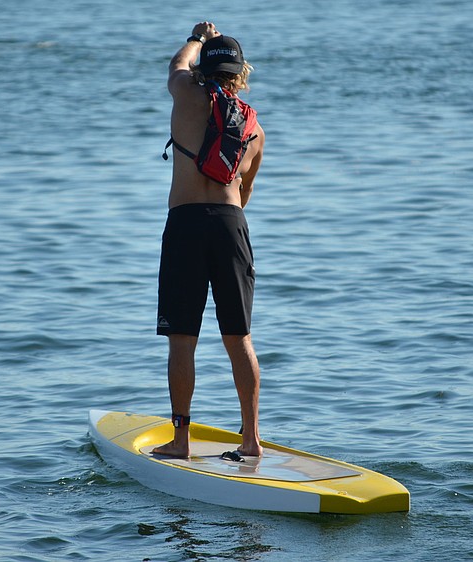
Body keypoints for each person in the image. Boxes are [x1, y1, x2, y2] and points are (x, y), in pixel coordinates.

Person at [153, 22, 266, 459]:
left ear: (204, 69)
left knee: (182, 339)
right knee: (239, 338)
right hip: (230, 224)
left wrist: (197, 36)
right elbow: (246, 192)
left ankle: (180, 441)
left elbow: (175, 65)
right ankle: (251, 441)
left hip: (184, 224)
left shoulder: (186, 96)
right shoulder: (254, 130)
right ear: (240, 75)